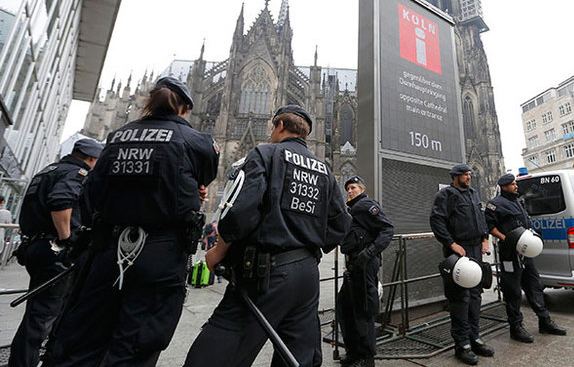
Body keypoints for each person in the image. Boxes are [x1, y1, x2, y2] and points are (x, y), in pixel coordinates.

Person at [44, 77, 219, 366]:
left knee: (84, 338)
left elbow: (90, 195)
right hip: (161, 253)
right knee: (137, 343)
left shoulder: (118, 136)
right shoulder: (197, 142)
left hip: (109, 248)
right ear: (186, 109)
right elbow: (204, 178)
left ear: (149, 101)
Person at [183, 104, 351, 367]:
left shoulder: (265, 154)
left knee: (217, 352)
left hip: (264, 273)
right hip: (307, 275)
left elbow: (240, 213)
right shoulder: (323, 169)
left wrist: (217, 251)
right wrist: (310, 242)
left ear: (279, 126)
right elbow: (341, 224)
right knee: (296, 357)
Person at [9, 138, 103, 367]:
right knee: (42, 317)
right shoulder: (78, 173)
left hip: (34, 247)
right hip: (55, 250)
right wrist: (67, 239)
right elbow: (60, 201)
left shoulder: (48, 170)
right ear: (91, 159)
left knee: (39, 313)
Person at [485, 173, 566, 344]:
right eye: (513, 184)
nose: (516, 186)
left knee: (535, 286)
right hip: (510, 254)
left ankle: (544, 321)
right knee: (513, 291)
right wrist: (508, 239)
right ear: (504, 186)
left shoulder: (518, 201)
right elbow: (490, 227)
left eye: (515, 183)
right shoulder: (495, 204)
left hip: (526, 252)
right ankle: (516, 327)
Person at [429, 163, 493, 366]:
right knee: (460, 299)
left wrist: (484, 238)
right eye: (465, 175)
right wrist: (451, 243)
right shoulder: (446, 195)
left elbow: (480, 218)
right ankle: (462, 345)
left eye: (469, 174)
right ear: (455, 177)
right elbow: (436, 221)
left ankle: (475, 338)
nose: (469, 177)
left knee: (475, 296)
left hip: (475, 250)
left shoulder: (473, 194)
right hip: (459, 252)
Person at [337, 175, 394, 367]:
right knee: (346, 307)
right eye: (348, 188)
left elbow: (387, 230)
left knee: (363, 311)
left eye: (353, 187)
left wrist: (369, 253)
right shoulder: (351, 208)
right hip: (354, 265)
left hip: (365, 265)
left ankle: (367, 358)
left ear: (362, 188)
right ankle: (353, 352)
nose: (350, 191)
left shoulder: (367, 205)